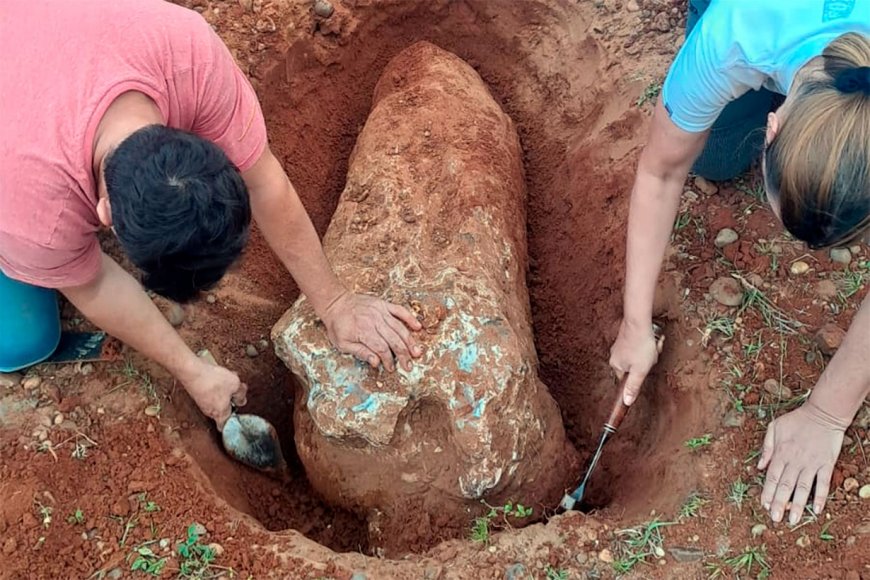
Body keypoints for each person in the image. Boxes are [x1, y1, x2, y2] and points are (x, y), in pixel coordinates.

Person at [0, 0, 422, 430]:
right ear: (104, 213)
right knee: (22, 342)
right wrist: (192, 371)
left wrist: (335, 302)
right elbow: (94, 284)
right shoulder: (35, 217)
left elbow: (264, 181)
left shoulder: (188, 53)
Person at [608, 0, 870, 527]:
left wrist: (827, 414)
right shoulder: (737, 31)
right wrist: (634, 323)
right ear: (771, 129)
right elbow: (661, 171)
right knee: (716, 156)